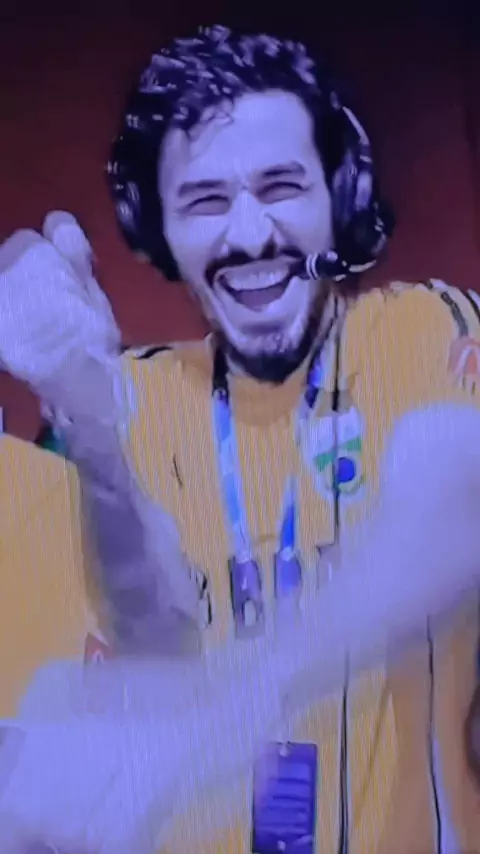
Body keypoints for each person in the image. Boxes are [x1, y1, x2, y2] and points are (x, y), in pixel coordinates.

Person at [2, 23, 480, 854]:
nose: (250, 234)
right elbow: (156, 649)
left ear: (340, 194)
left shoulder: (421, 327)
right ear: (158, 224)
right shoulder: (134, 395)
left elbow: (450, 499)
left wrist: (227, 717)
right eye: (207, 201)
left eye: (281, 187)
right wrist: (88, 419)